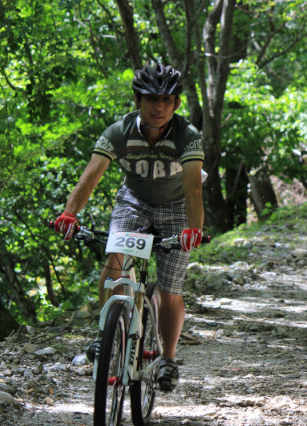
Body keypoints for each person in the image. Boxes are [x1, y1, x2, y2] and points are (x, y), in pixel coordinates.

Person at [53, 61, 205, 392]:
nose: (159, 107)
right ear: (138, 101)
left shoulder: (186, 135)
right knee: (114, 266)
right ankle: (108, 333)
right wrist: (69, 214)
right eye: (151, 99)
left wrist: (194, 229)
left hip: (176, 208)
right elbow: (91, 175)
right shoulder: (119, 131)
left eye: (167, 100)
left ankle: (167, 357)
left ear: (176, 104)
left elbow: (194, 188)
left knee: (170, 288)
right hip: (133, 202)